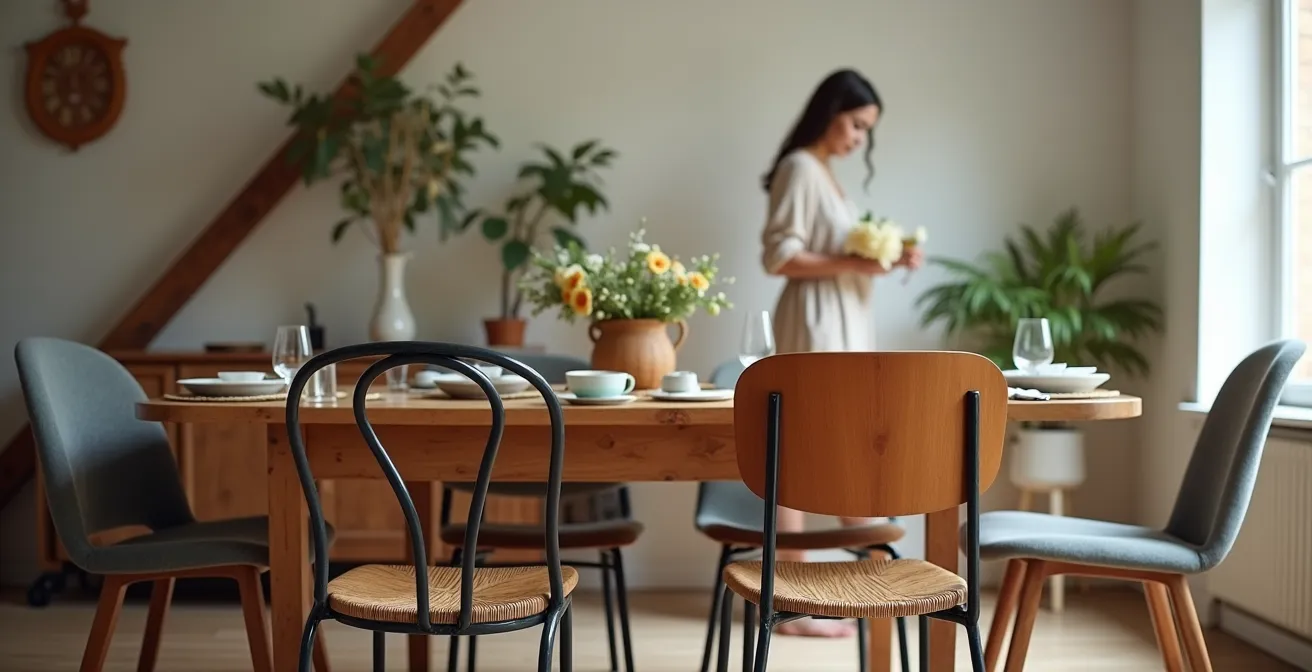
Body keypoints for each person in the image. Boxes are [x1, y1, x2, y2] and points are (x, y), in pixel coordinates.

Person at [758, 68, 922, 637]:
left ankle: (876, 574)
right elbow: (779, 257)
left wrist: (890, 256)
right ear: (829, 112)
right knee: (811, 451)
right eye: (855, 124)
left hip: (844, 320)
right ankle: (805, 599)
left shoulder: (825, 174)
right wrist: (858, 263)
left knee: (830, 447)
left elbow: (834, 250)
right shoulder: (800, 168)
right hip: (816, 322)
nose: (859, 139)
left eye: (866, 131)